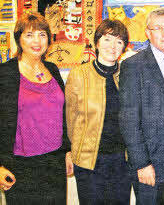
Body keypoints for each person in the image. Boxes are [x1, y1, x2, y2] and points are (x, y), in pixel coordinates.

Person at [119, 7, 164, 205]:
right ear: (148, 33)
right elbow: (128, 120)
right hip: (151, 161)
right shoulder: (133, 66)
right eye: (158, 28)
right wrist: (142, 163)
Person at [0, 13, 72, 204]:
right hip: (21, 166)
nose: (37, 41)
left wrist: (67, 151)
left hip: (54, 161)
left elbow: (62, 115)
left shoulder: (53, 69)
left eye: (42, 34)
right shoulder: (5, 73)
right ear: (19, 39)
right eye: (29, 35)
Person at [65, 19, 131, 204]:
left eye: (119, 41)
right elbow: (69, 117)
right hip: (88, 162)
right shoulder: (79, 74)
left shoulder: (128, 75)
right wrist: (70, 151)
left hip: (122, 162)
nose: (113, 46)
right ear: (97, 42)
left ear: (124, 47)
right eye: (108, 39)